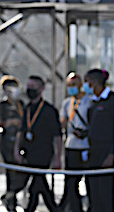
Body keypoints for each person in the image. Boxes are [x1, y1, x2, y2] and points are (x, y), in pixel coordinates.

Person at [14, 75, 62, 212]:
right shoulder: (27, 108)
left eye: (33, 87)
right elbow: (22, 131)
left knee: (36, 184)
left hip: (43, 154)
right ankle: (53, 209)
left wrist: (58, 157)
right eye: (28, 87)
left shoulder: (49, 110)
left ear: (41, 89)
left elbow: (57, 136)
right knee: (38, 187)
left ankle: (35, 209)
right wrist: (17, 149)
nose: (30, 90)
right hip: (29, 153)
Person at [84, 69, 114, 212]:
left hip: (106, 153)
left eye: (87, 82)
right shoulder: (93, 103)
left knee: (105, 194)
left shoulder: (113, 101)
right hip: (93, 153)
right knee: (93, 192)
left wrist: (112, 154)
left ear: (94, 82)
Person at [58, 73, 91, 212]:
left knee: (88, 181)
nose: (72, 88)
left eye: (75, 85)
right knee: (71, 182)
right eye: (69, 85)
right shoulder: (67, 103)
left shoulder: (89, 101)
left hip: (86, 146)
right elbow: (62, 122)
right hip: (71, 145)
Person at [0, 75, 27, 211]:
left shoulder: (21, 104)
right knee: (11, 174)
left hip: (21, 142)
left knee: (23, 173)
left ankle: (9, 196)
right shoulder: (3, 105)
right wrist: (8, 123)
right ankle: (11, 203)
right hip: (7, 143)